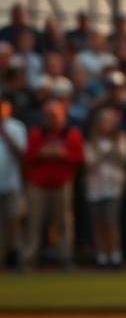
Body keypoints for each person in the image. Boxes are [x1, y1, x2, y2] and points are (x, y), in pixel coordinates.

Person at [22, 99, 84, 270]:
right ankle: (29, 259)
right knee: (34, 222)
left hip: (62, 184)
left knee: (64, 223)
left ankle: (66, 258)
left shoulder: (70, 133)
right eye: (48, 116)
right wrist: (42, 153)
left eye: (54, 116)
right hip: (38, 185)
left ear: (62, 116)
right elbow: (27, 157)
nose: (51, 119)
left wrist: (63, 154)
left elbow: (79, 158)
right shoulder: (37, 133)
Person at [83, 107, 126, 268]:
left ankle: (114, 254)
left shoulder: (120, 139)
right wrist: (106, 155)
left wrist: (107, 153)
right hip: (95, 187)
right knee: (98, 222)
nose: (105, 125)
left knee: (111, 221)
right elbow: (89, 162)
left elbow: (123, 158)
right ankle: (102, 255)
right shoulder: (91, 142)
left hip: (113, 186)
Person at [0, 99, 27, 270]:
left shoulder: (16, 127)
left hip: (11, 183)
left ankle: (14, 255)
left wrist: (4, 133)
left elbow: (22, 153)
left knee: (13, 220)